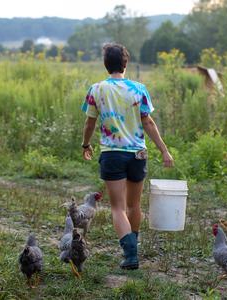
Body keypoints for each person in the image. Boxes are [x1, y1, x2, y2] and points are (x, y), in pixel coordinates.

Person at [81, 43, 174, 270]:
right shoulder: (139, 89)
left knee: (117, 208)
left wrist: (85, 144)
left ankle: (131, 254)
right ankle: (133, 246)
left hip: (113, 154)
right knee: (134, 206)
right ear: (126, 63)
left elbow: (90, 121)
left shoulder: (97, 89)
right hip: (138, 154)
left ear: (106, 64)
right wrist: (164, 150)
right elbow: (148, 122)